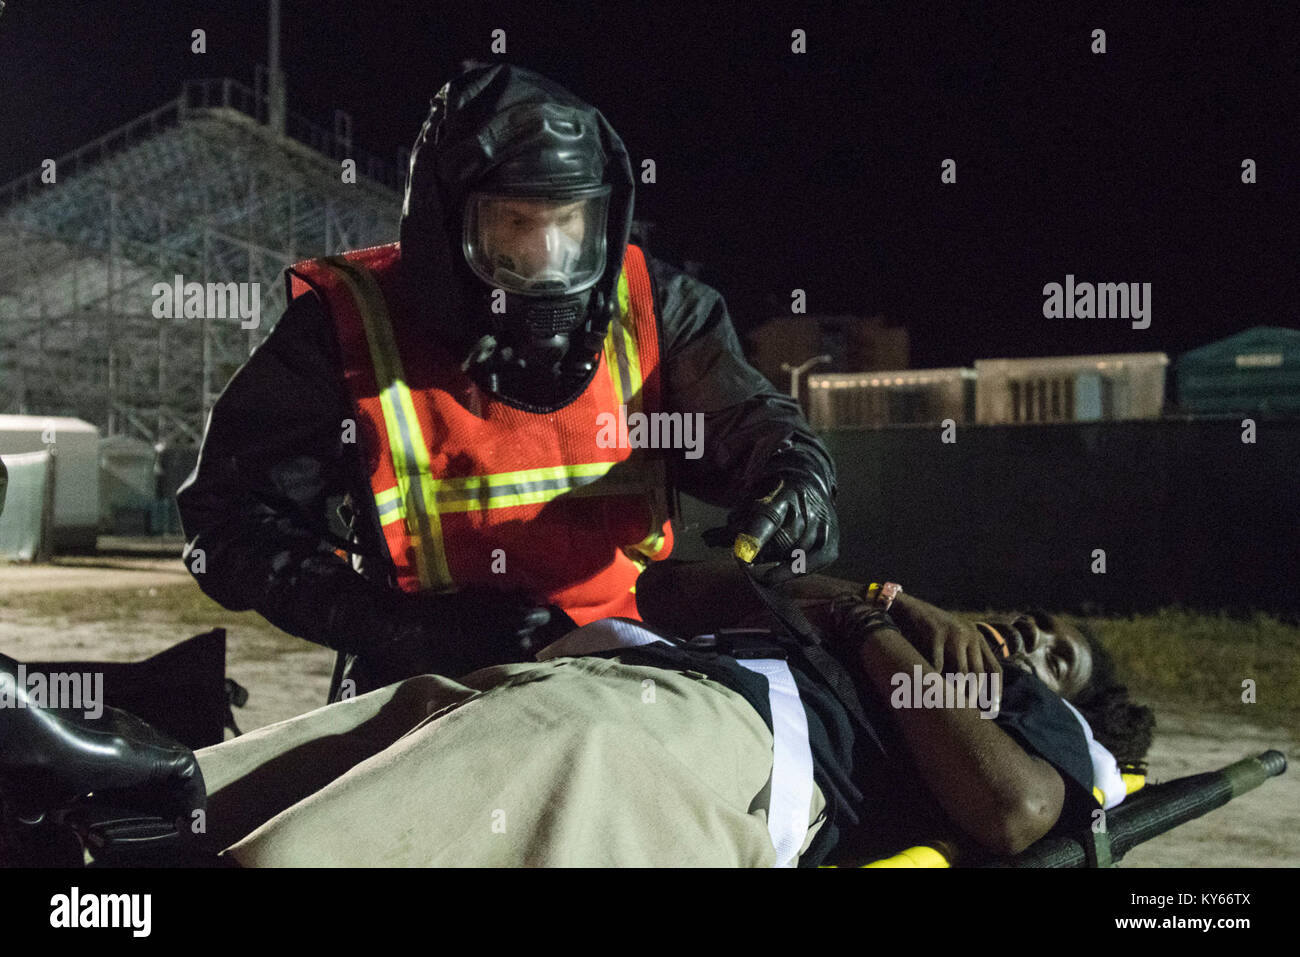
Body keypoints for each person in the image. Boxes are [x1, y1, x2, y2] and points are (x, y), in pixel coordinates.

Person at [175, 64, 839, 701]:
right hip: (425, 690)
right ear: (449, 222)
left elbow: (753, 426)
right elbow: (228, 519)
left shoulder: (657, 308)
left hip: (632, 681)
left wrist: (795, 481)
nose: (549, 261)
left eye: (570, 225)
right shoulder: (346, 324)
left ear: (603, 219)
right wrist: (397, 627)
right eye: (518, 225)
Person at [178, 563, 1155, 867]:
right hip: (591, 680)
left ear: (1068, 698)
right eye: (1023, 621)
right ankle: (104, 827)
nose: (1025, 637)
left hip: (708, 748)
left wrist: (871, 628)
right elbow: (671, 587)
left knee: (362, 833)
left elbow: (1014, 810)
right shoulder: (885, 626)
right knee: (308, 762)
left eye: (1054, 649)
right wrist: (870, 597)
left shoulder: (1018, 709)